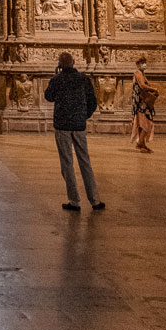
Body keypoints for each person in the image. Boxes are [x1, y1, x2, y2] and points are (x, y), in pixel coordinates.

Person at [44, 52, 105, 211]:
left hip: (63, 126)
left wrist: (55, 75)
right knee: (85, 161)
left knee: (67, 163)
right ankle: (95, 200)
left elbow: (48, 97)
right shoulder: (83, 79)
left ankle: (74, 201)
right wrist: (83, 116)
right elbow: (93, 101)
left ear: (59, 65)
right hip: (78, 125)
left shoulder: (57, 80)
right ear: (74, 63)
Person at [131, 55, 157, 152]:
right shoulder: (138, 73)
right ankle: (140, 144)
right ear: (138, 64)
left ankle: (142, 143)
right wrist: (153, 89)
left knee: (143, 123)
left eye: (145, 62)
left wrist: (151, 88)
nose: (144, 65)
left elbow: (146, 84)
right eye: (142, 63)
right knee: (145, 122)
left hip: (143, 102)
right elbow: (142, 85)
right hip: (141, 102)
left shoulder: (142, 73)